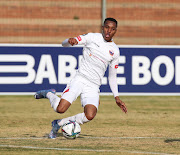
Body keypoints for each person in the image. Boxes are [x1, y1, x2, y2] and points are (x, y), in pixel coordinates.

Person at [34, 17, 127, 139]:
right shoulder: (92, 37)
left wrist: (117, 97)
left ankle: (58, 123)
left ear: (116, 31)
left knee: (90, 115)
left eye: (112, 29)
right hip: (80, 79)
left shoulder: (115, 50)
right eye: (107, 27)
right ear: (102, 27)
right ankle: (49, 94)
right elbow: (64, 44)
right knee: (60, 108)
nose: (109, 31)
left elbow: (112, 76)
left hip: (93, 86)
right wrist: (69, 41)